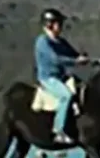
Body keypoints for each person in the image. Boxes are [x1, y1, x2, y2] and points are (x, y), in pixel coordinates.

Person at [35, 8, 91, 144]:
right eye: (58, 23)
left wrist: (85, 58)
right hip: (48, 79)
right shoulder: (43, 42)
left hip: (62, 77)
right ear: (49, 24)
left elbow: (72, 54)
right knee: (66, 96)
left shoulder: (60, 41)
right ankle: (58, 131)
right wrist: (76, 61)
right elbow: (55, 59)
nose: (61, 27)